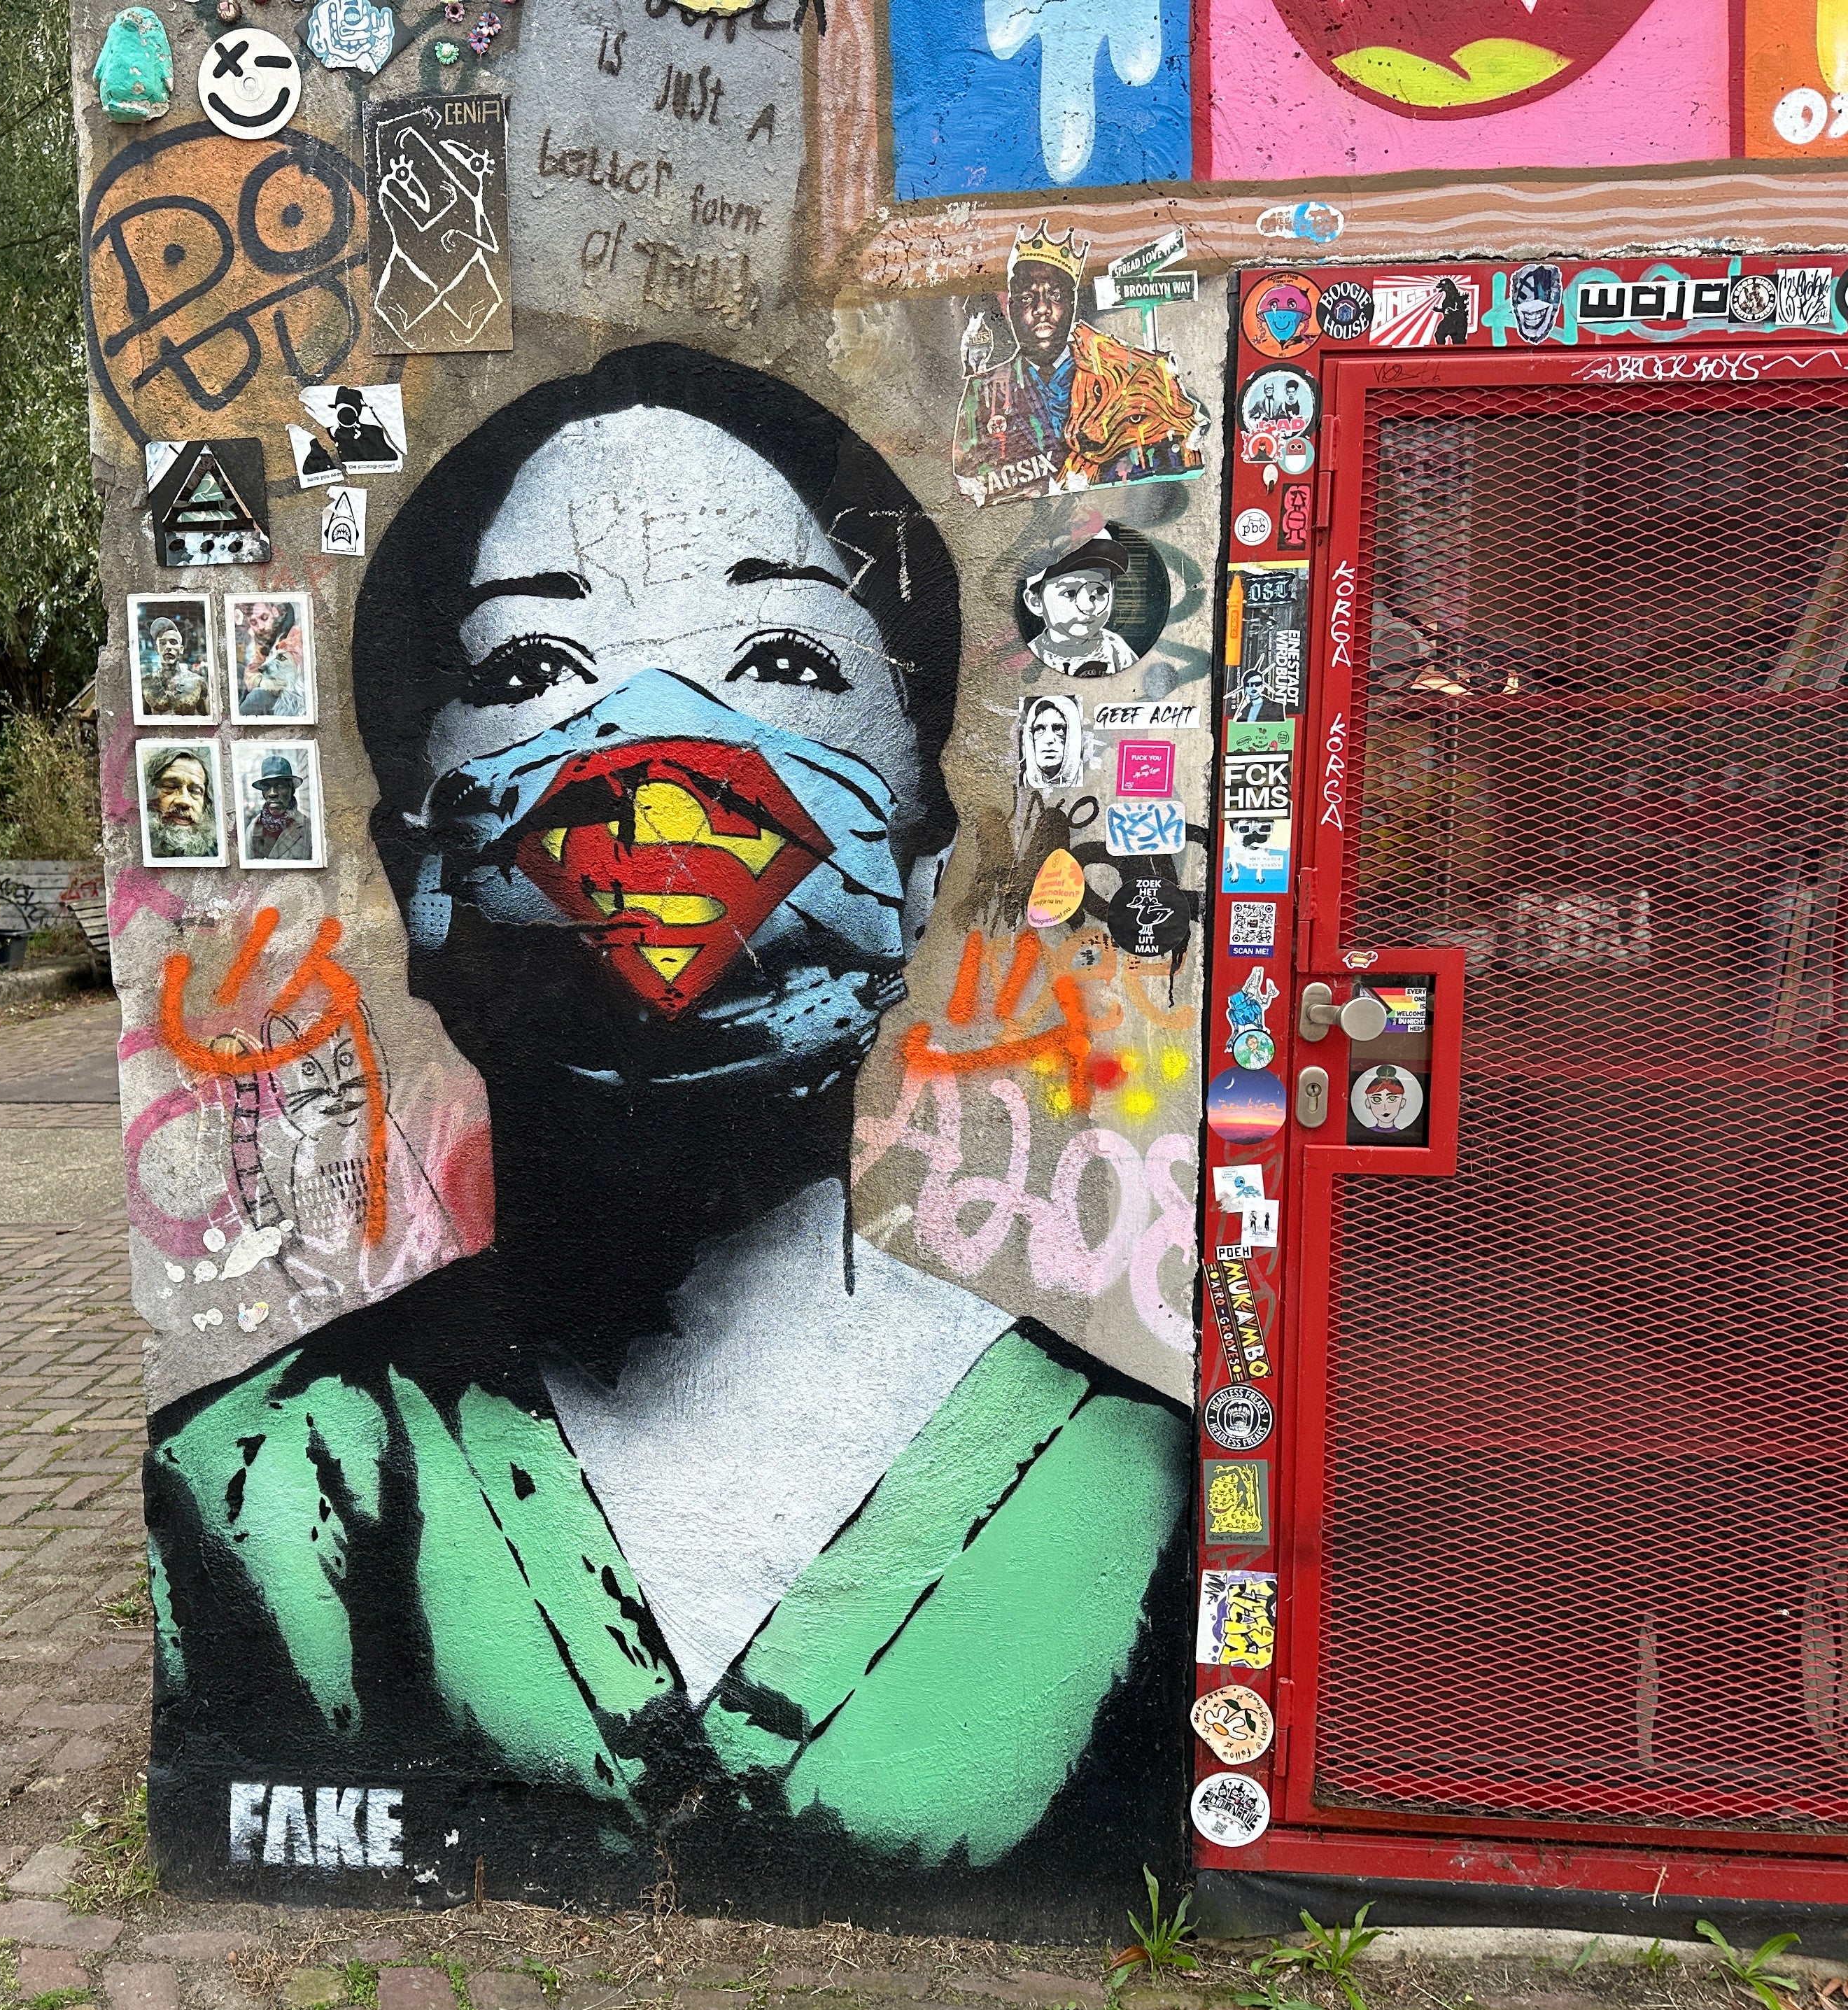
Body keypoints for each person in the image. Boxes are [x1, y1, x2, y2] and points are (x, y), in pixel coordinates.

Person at [144, 343, 1191, 1920]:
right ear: (419, 877)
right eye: (527, 673)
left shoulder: (1144, 1502)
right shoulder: (246, 1500)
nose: (655, 764)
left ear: (919, 868)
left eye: (778, 656)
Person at [954, 222, 1206, 505]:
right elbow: (969, 482)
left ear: (1072, 305)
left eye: (1056, 296)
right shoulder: (983, 391)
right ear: (1010, 310)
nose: (1042, 309)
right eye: (1027, 298)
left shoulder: (1118, 374)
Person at [1022, 532, 1138, 677]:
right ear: (1036, 602)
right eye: (1070, 593)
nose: (1089, 608)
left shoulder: (1115, 648)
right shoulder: (1031, 656)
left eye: (1100, 591)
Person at [143, 748, 219, 859]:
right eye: (170, 787)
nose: (184, 801)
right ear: (149, 794)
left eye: (195, 792)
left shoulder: (216, 852)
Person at [234, 600, 305, 717]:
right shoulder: (263, 642)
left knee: (256, 698)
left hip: (295, 696)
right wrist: (266, 683)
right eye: (253, 622)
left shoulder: (295, 634)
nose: (260, 627)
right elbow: (251, 672)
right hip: (278, 692)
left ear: (275, 612)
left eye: (264, 618)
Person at [242, 752, 314, 861]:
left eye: (280, 785)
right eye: (267, 787)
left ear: (292, 790)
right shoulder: (253, 828)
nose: (272, 793)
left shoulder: (308, 828)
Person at [139, 614, 209, 716]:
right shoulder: (146, 684)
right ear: (156, 649)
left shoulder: (198, 682)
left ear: (181, 649)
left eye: (173, 642)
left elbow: (206, 720)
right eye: (162, 643)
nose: (168, 647)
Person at [1019, 694, 1080, 789]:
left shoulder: (1088, 774)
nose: (1049, 740)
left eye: (1059, 729)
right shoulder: (1019, 777)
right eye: (1039, 729)